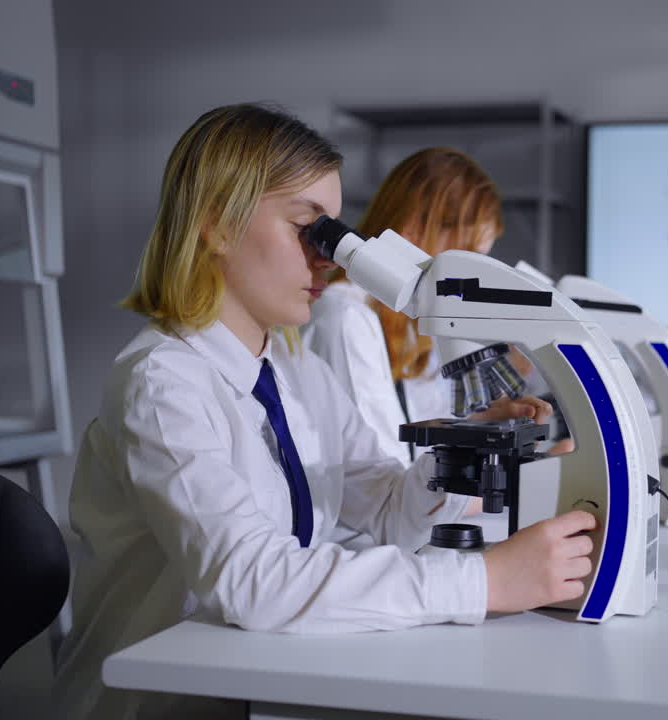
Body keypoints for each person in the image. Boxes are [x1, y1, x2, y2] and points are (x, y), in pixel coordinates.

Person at [52, 104, 596, 720]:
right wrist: (483, 583)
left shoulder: (290, 366)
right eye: (307, 229)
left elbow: (388, 510)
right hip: (158, 703)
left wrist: (465, 446)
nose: (330, 257)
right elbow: (252, 581)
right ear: (217, 224)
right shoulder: (163, 383)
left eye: (332, 234)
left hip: (263, 676)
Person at [303, 147, 506, 468]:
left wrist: (488, 416)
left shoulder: (409, 320)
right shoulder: (345, 317)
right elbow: (381, 477)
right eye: (465, 258)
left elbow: (425, 418)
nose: (470, 278)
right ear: (413, 229)